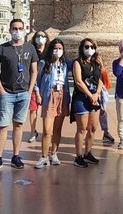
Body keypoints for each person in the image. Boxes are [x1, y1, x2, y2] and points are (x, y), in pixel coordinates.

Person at [0, 19, 39, 171]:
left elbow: (34, 71)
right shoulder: (2, 49)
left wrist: (30, 91)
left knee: (18, 125)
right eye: (14, 28)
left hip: (23, 93)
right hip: (7, 93)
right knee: (3, 126)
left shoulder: (30, 48)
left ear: (24, 30)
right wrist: (1, 91)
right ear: (10, 30)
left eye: (20, 28)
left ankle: (16, 156)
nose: (17, 31)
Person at [34, 39, 71, 168]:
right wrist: (38, 95)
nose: (58, 51)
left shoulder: (66, 64)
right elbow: (36, 81)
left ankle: (54, 153)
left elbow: (80, 65)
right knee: (47, 130)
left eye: (60, 48)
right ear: (51, 50)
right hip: (49, 95)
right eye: (55, 48)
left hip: (62, 95)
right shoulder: (44, 63)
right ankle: (44, 156)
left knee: (57, 128)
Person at [71, 38, 103, 168]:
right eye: (86, 46)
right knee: (82, 128)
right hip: (82, 98)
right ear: (82, 48)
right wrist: (90, 95)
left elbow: (101, 79)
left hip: (94, 97)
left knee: (93, 127)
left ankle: (88, 153)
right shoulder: (77, 63)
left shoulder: (96, 62)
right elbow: (78, 81)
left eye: (92, 46)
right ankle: (78, 156)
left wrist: (97, 94)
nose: (89, 49)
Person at [28, 30, 50, 143]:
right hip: (34, 84)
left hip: (47, 85)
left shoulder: (49, 52)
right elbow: (32, 71)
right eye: (38, 36)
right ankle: (33, 131)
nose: (40, 38)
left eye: (43, 36)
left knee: (48, 110)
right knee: (33, 109)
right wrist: (36, 91)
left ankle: (48, 131)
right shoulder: (32, 51)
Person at [99, 64, 116, 145]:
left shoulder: (98, 64)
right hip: (91, 90)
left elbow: (104, 77)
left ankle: (106, 132)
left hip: (101, 90)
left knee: (102, 112)